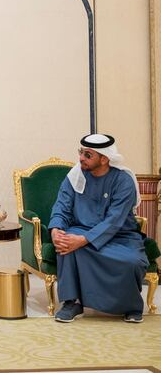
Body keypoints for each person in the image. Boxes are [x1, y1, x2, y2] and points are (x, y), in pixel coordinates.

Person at [49, 133, 148, 323]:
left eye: (88, 155)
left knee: (132, 262)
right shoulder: (74, 176)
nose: (81, 158)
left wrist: (84, 241)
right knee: (65, 244)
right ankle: (72, 302)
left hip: (120, 236)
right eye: (81, 152)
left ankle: (130, 306)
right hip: (80, 230)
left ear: (104, 159)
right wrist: (56, 230)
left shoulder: (123, 181)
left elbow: (114, 220)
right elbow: (61, 207)